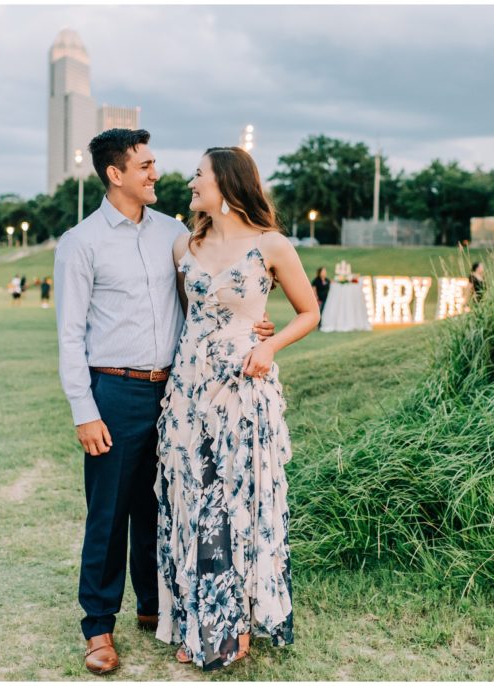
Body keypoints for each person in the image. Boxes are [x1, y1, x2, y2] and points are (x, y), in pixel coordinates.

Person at [54, 129, 276, 675]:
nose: (157, 173)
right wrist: (85, 409)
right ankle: (99, 627)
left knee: (170, 502)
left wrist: (250, 326)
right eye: (146, 165)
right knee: (109, 513)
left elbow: (206, 302)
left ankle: (158, 606)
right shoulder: (80, 243)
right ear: (116, 173)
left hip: (181, 390)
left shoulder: (176, 233)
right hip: (116, 389)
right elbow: (69, 335)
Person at [154, 147, 319, 671]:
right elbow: (190, 315)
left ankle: (235, 622)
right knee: (191, 496)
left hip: (245, 387)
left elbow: (309, 312)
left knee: (235, 495)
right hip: (189, 387)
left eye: (198, 174)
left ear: (225, 183)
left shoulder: (271, 244)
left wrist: (267, 345)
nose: (190, 182)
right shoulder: (186, 243)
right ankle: (195, 616)